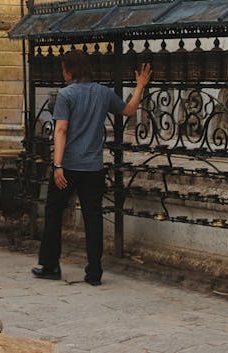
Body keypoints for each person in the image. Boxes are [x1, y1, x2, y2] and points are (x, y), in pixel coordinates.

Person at [32, 49, 152, 285]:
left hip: (68, 166)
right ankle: (94, 272)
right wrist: (140, 86)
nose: (63, 74)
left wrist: (57, 165)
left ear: (70, 69)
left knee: (53, 213)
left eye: (64, 69)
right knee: (93, 218)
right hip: (93, 167)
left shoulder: (66, 96)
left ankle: (50, 265)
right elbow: (128, 110)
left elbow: (61, 130)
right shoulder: (103, 93)